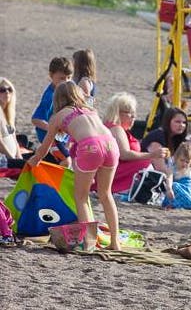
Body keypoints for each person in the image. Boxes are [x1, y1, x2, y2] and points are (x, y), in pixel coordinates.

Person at [27, 81, 121, 250]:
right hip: (110, 144)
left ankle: (89, 244)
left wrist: (35, 159)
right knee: (106, 194)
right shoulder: (91, 111)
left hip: (90, 146)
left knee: (81, 196)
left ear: (58, 99)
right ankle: (115, 242)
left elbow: (45, 146)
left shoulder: (58, 116)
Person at [101, 93, 168, 194]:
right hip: (116, 174)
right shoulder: (116, 129)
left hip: (111, 172)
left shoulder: (112, 128)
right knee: (146, 163)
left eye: (134, 113)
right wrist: (151, 155)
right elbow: (124, 154)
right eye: (129, 113)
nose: (134, 117)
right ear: (117, 113)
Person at [31, 57, 73, 166]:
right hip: (50, 137)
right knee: (66, 161)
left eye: (69, 77)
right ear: (51, 76)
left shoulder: (66, 90)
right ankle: (56, 182)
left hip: (63, 137)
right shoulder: (50, 97)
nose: (66, 81)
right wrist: (52, 128)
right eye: (62, 78)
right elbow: (36, 119)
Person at [141, 107, 191, 172]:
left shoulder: (178, 138)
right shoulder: (157, 137)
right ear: (168, 122)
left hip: (169, 174)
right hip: (149, 176)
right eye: (177, 122)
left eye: (184, 122)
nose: (181, 125)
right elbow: (160, 168)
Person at [162, 142, 191, 210]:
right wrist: (169, 189)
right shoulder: (172, 169)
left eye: (187, 162)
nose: (184, 163)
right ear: (176, 158)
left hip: (188, 195)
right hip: (175, 196)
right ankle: (174, 205)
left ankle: (188, 204)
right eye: (182, 160)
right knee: (174, 185)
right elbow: (169, 179)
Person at [0, 78, 23, 167]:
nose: (7, 92)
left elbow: (14, 138)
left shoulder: (8, 113)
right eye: (2, 90)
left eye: (9, 89)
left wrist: (19, 156)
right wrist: (12, 159)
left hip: (11, 157)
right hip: (4, 159)